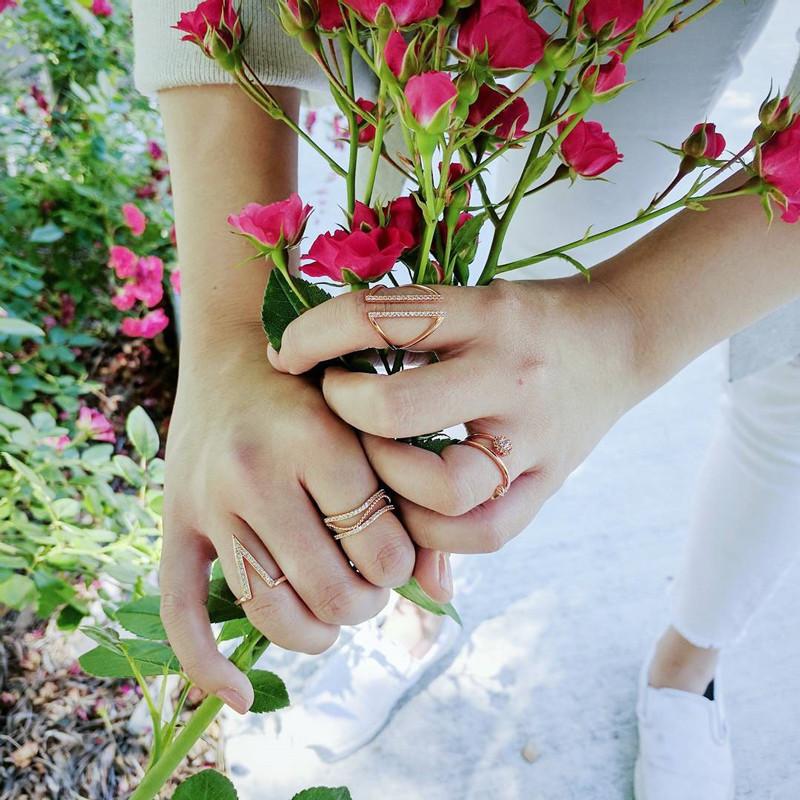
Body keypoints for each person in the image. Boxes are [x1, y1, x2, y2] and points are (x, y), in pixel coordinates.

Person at [132, 1, 800, 798]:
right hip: (429, 40)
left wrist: (625, 331)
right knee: (434, 276)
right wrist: (231, 331)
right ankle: (409, 600)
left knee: (787, 400)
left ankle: (691, 665)